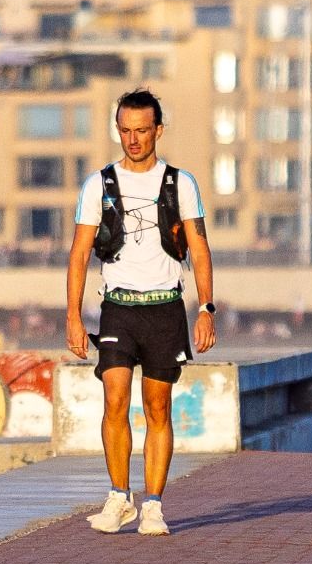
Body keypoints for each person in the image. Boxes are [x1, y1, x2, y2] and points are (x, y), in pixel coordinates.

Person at [67, 89, 215, 537]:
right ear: (118, 130)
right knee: (114, 399)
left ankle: (153, 504)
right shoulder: (99, 185)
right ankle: (118, 497)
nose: (133, 140)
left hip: (165, 308)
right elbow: (79, 255)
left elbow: (201, 249)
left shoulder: (179, 183)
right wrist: (73, 317)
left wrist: (206, 307)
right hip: (117, 307)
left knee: (157, 408)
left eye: (142, 131)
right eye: (126, 131)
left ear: (158, 131)